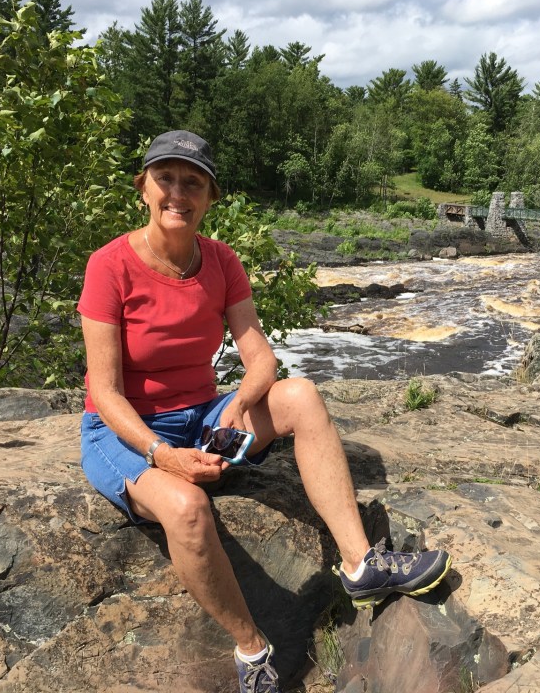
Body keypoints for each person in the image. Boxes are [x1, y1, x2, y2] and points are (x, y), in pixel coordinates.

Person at [77, 130, 452, 693]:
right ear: (143, 189)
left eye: (193, 183)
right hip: (123, 430)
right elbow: (105, 392)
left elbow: (261, 359)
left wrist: (239, 404)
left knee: (300, 395)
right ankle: (253, 651)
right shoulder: (109, 265)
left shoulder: (221, 260)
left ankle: (360, 565)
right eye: (165, 179)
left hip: (203, 413)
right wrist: (162, 455)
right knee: (186, 509)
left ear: (210, 197)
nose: (177, 193)